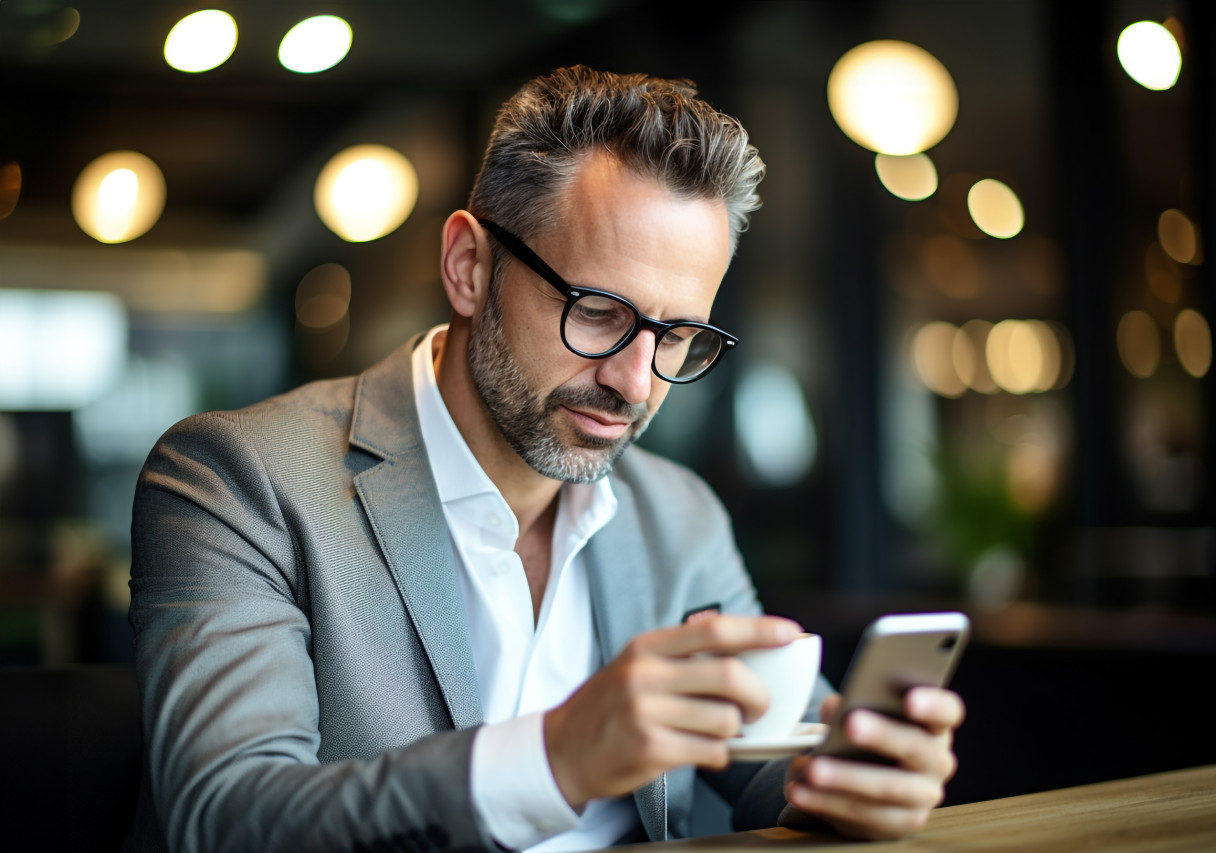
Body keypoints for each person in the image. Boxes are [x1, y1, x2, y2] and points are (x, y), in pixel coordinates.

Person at [126, 65, 964, 853]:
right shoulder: (237, 480)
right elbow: (225, 814)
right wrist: (558, 756)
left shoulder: (680, 514)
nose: (636, 383)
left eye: (678, 336)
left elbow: (773, 760)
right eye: (599, 312)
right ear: (469, 266)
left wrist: (843, 778)